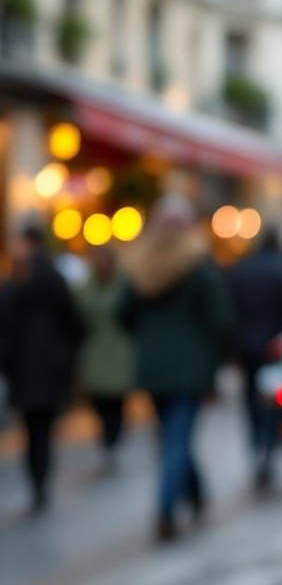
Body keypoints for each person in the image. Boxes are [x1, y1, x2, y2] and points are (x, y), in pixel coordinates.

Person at [119, 195, 233, 541]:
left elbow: (124, 313)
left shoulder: (139, 262)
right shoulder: (199, 262)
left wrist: (148, 338)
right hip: (191, 365)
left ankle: (195, 493)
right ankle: (167, 506)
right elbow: (219, 319)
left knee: (172, 435)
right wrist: (217, 363)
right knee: (178, 436)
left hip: (153, 366)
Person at [0, 224, 84, 512]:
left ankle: (37, 481)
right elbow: (73, 323)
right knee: (42, 429)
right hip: (47, 366)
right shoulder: (52, 278)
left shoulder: (18, 281)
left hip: (27, 366)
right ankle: (40, 479)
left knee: (33, 428)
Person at [226, 226, 282, 490]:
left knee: (250, 399)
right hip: (274, 347)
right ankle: (268, 448)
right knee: (272, 401)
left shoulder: (241, 269)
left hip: (246, 347)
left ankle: (257, 445)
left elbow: (229, 310)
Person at [74, 245, 135, 471]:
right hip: (94, 352)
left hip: (119, 351)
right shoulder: (83, 288)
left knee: (117, 401)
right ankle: (108, 439)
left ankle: (113, 440)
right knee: (99, 401)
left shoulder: (125, 284)